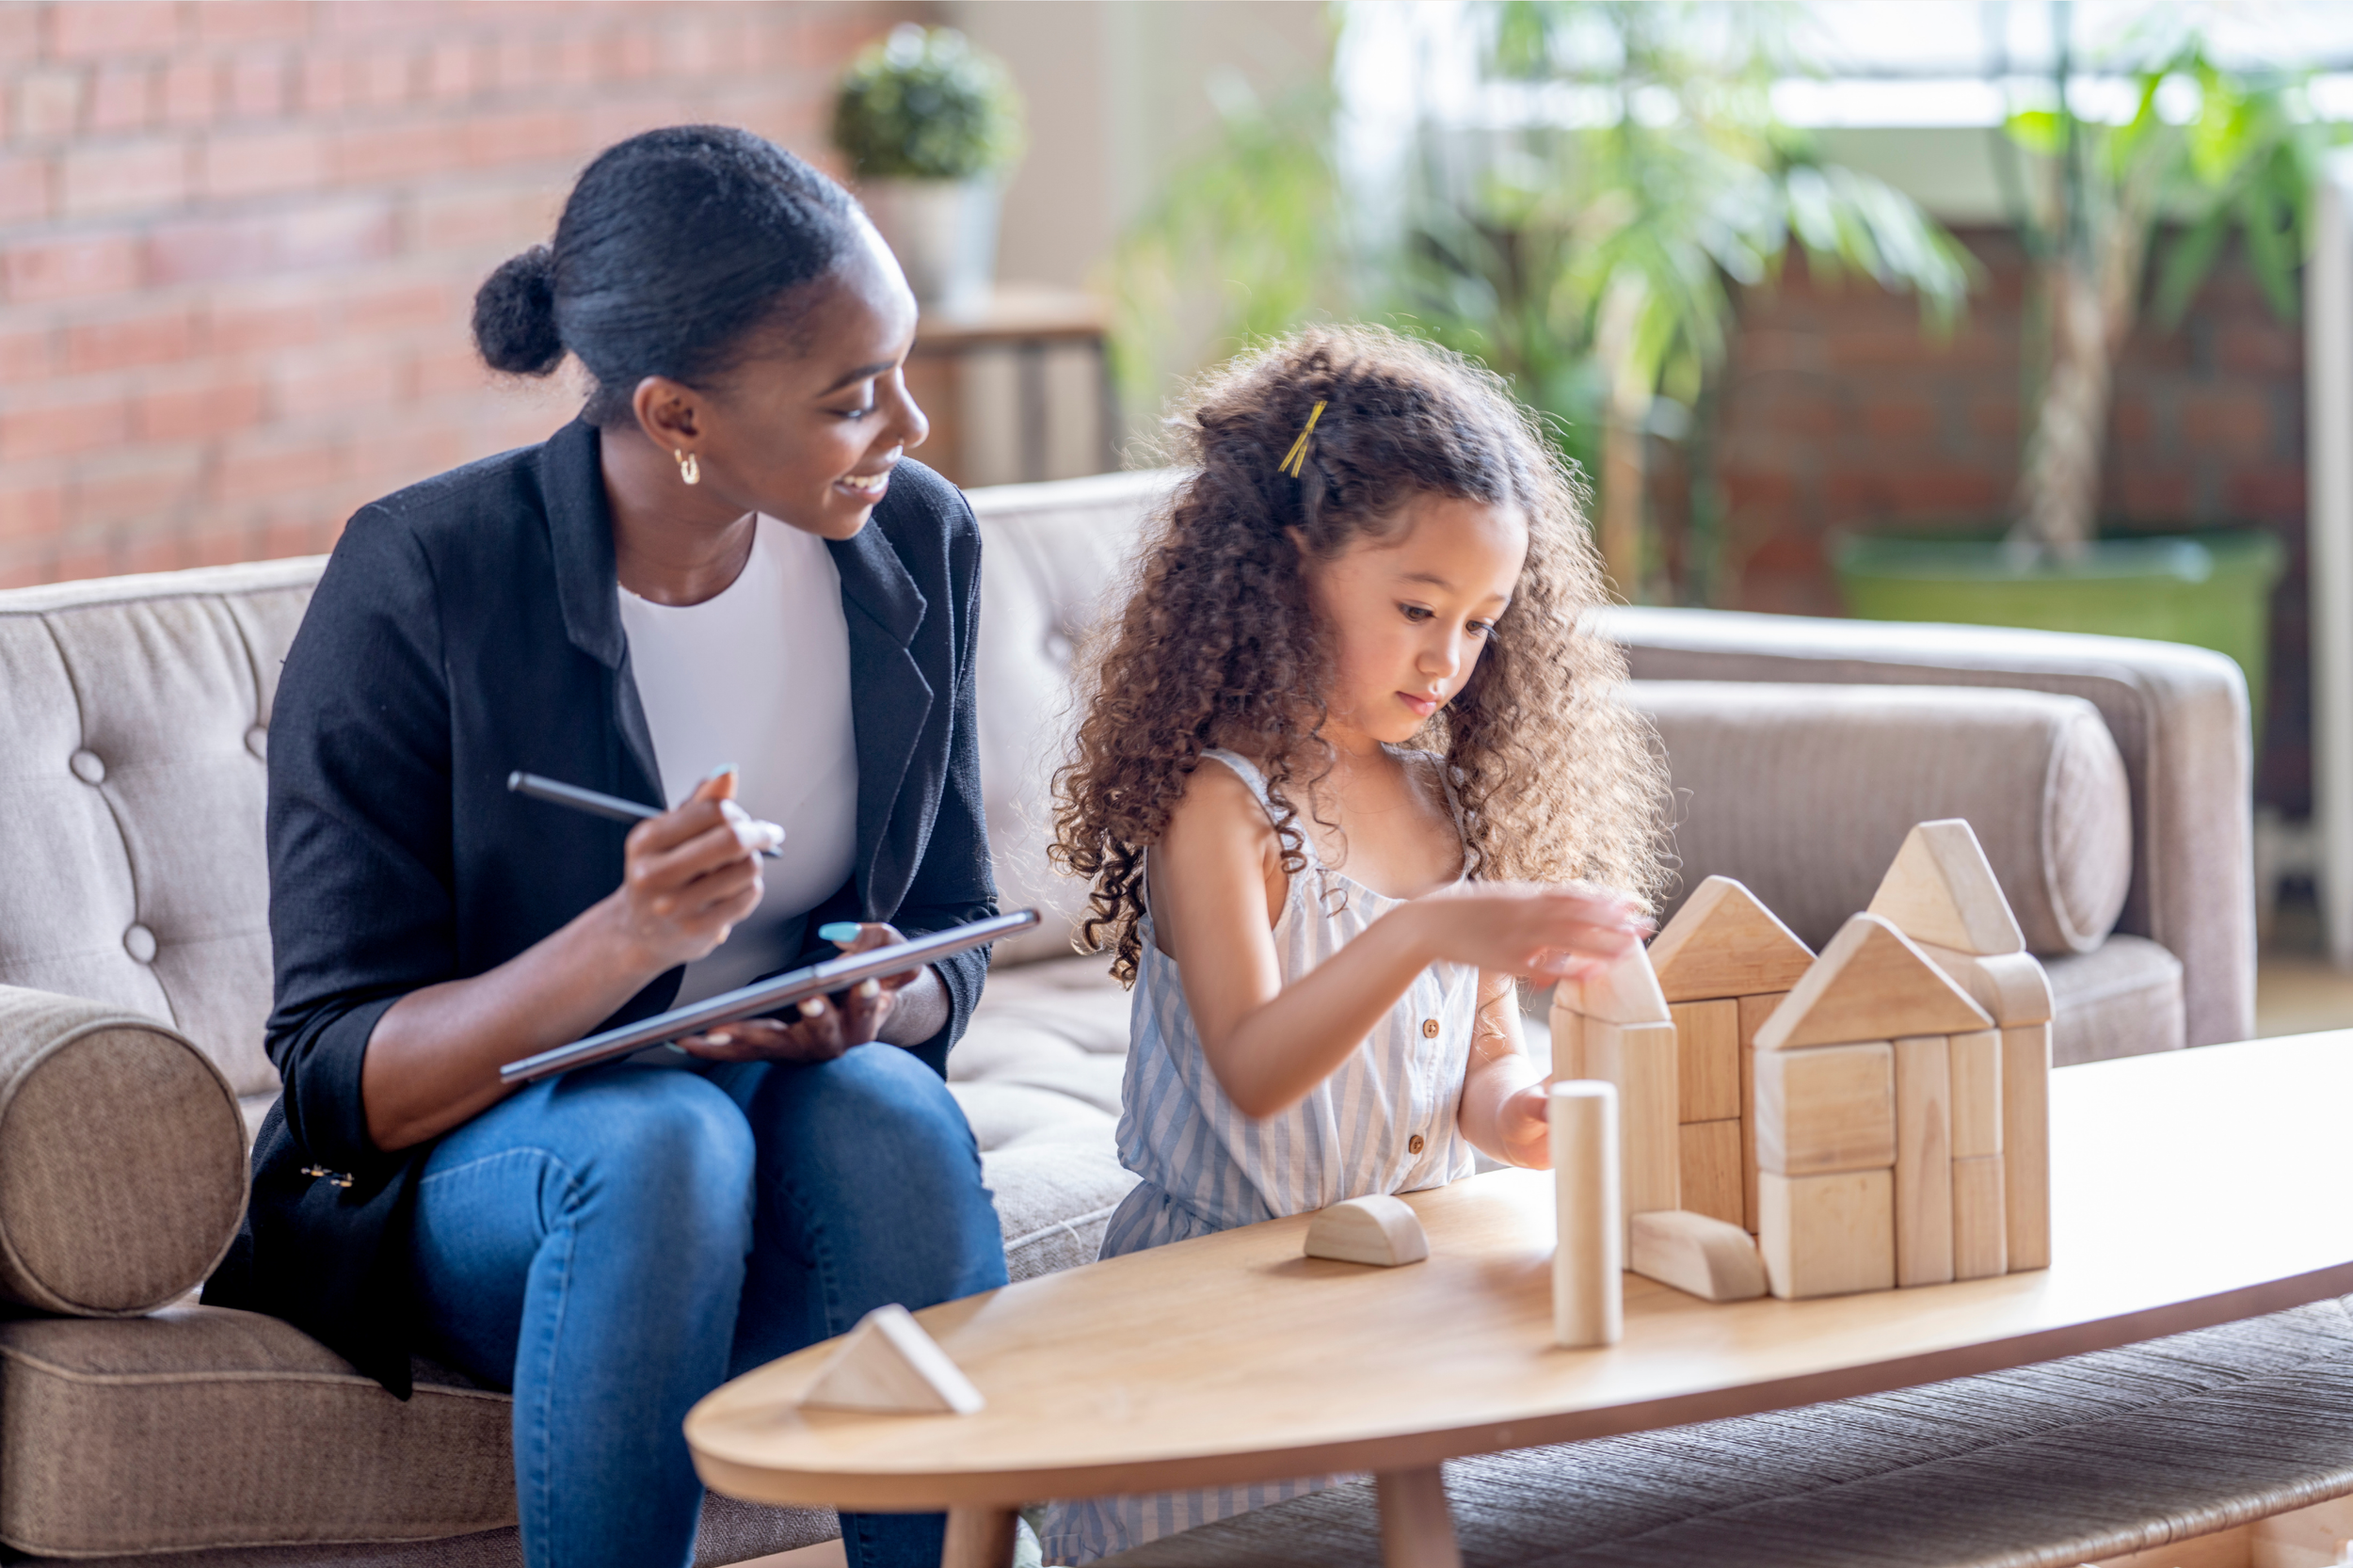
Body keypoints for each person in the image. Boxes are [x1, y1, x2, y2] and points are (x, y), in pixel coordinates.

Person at [201, 126, 1008, 1568]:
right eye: (851, 398)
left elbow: (955, 918)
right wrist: (626, 941)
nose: (911, 426)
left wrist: (893, 993)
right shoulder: (425, 575)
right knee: (658, 1137)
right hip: (490, 1190)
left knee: (890, 1111)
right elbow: (336, 1078)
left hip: (786, 1131)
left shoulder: (916, 544)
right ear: (677, 414)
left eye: (901, 368)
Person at [1040, 326, 1668, 1561]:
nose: (1449, 658)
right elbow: (1258, 1068)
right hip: (1221, 1307)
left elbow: (1478, 1059)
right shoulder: (1221, 805)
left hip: (1403, 1296)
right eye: (1418, 608)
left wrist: (1520, 1110)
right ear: (1290, 570)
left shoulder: (1448, 803)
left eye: (1485, 624)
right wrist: (1432, 925)